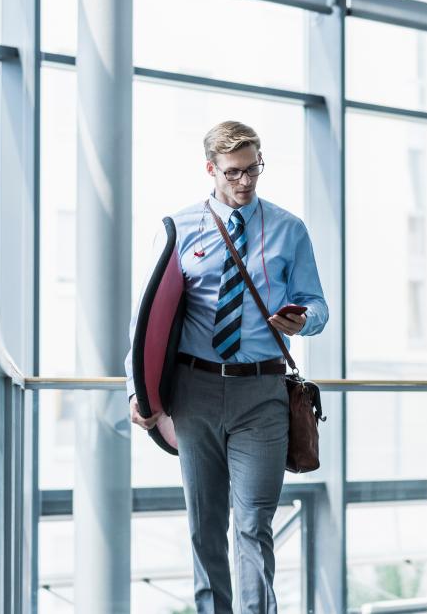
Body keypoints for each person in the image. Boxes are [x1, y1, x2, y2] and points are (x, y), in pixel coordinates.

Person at [126, 120, 329, 614]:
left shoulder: (288, 229)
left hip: (261, 394)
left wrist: (301, 322)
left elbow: (318, 307)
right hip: (193, 393)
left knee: (254, 523)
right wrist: (140, 390)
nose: (245, 181)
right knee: (205, 523)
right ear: (211, 169)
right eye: (234, 172)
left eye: (254, 169)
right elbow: (146, 316)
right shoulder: (179, 228)